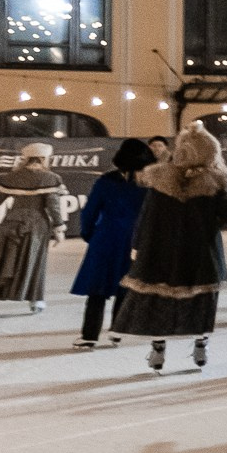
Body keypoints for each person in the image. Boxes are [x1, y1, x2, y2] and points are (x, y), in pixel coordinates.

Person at [115, 124, 227, 372]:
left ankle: (158, 347)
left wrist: (138, 244)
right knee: (202, 301)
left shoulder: (160, 182)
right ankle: (200, 343)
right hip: (201, 254)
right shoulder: (214, 185)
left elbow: (146, 217)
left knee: (160, 299)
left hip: (163, 252)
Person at [0, 142, 71, 316]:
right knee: (32, 263)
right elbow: (53, 206)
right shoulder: (50, 178)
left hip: (10, 222)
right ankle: (35, 300)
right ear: (44, 158)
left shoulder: (12, 177)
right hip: (36, 225)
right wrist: (59, 228)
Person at [70, 139, 152, 348]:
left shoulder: (106, 181)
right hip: (136, 240)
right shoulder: (151, 185)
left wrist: (90, 234)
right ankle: (118, 330)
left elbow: (90, 211)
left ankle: (89, 335)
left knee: (97, 288)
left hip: (106, 237)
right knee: (126, 286)